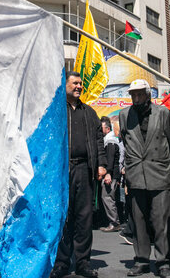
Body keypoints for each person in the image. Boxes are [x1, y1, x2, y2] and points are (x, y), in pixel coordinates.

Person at [51, 72, 106, 278]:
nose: (79, 86)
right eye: (75, 83)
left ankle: (83, 263)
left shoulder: (90, 113)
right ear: (65, 85)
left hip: (85, 170)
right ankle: (62, 263)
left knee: (84, 218)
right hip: (62, 171)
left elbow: (99, 140)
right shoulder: (56, 111)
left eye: (80, 83)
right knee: (64, 217)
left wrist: (101, 165)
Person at [119, 79, 170, 278]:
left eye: (140, 93)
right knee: (138, 221)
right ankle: (141, 260)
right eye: (133, 94)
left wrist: (169, 171)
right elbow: (125, 142)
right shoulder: (124, 115)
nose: (136, 98)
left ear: (148, 94)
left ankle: (163, 262)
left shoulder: (163, 113)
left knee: (162, 221)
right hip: (136, 175)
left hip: (159, 173)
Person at [99, 117, 121, 233]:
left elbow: (110, 159)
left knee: (107, 197)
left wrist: (108, 173)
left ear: (107, 129)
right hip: (112, 174)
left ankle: (114, 222)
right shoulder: (109, 140)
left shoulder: (110, 141)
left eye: (101, 128)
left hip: (110, 175)